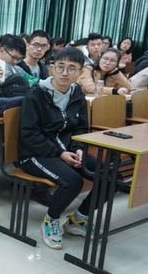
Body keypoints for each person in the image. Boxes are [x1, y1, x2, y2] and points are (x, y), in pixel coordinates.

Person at [19, 47, 99, 250]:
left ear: (80, 73)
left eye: (71, 68)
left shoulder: (77, 93)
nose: (64, 72)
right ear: (52, 69)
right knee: (72, 182)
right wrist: (60, 153)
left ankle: (79, 219)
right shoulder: (37, 94)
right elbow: (28, 134)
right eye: (60, 67)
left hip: (67, 150)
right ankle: (51, 220)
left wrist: (79, 148)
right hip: (34, 153)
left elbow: (81, 128)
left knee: (110, 174)